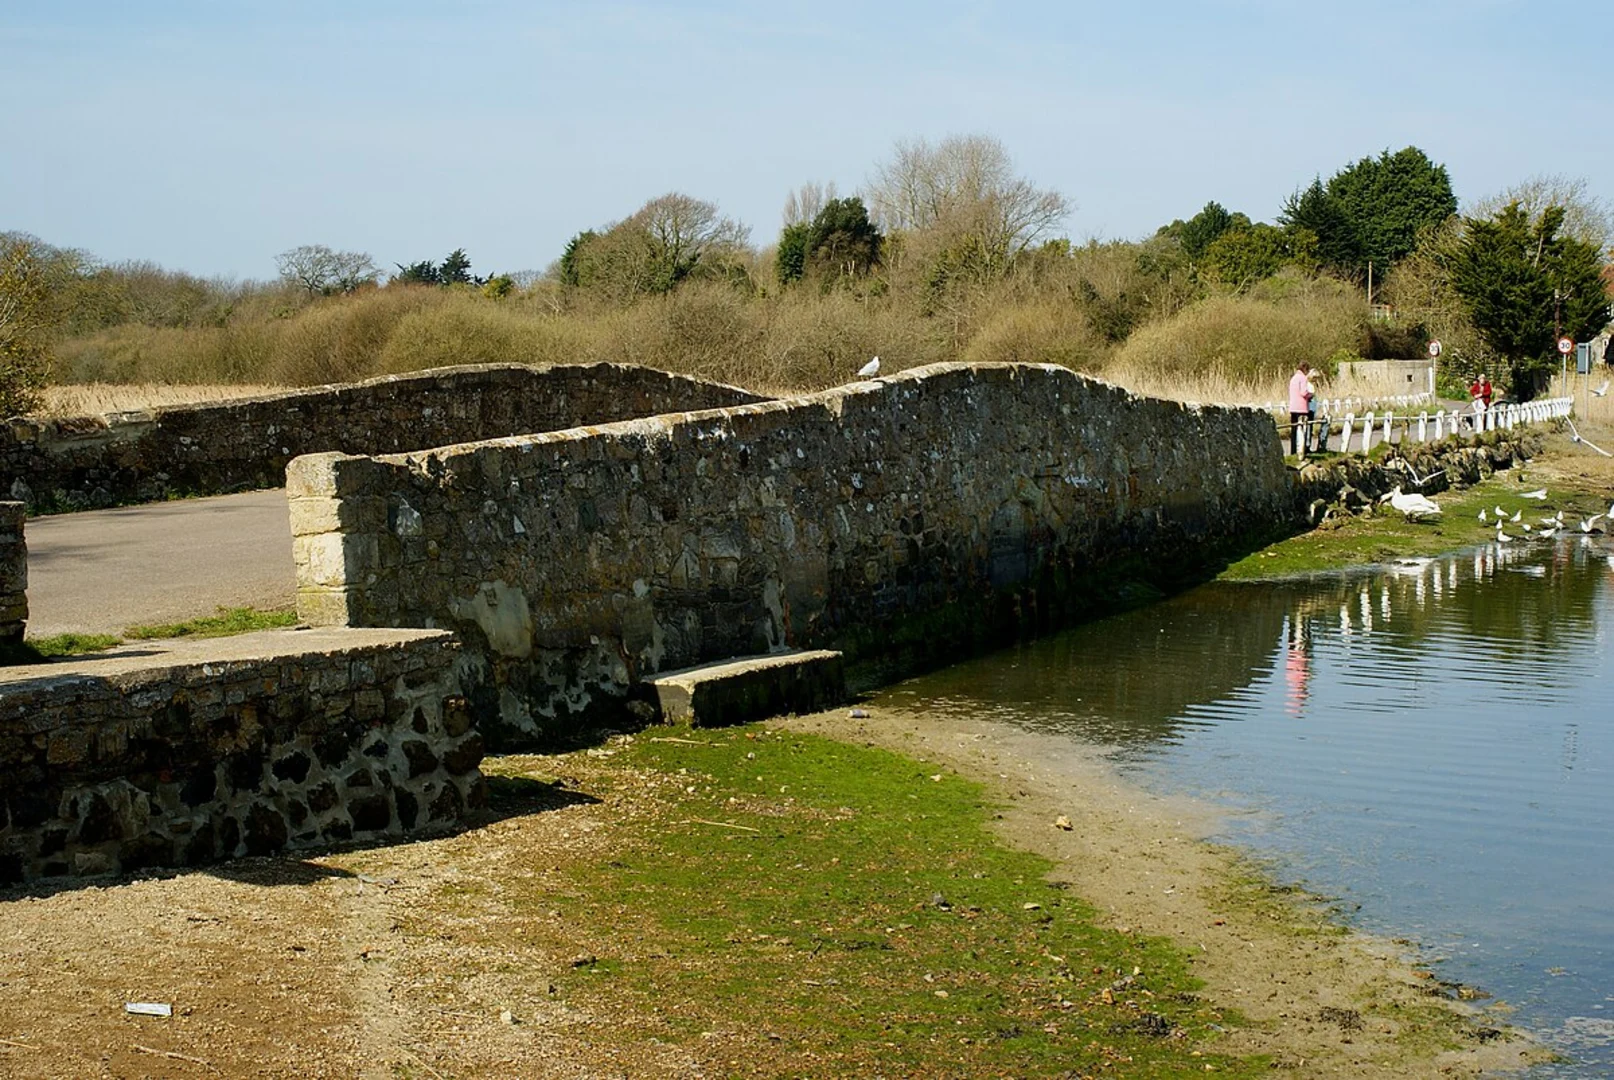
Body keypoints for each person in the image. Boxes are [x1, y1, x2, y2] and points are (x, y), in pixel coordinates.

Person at [1287, 362, 1314, 458]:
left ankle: (1293, 451)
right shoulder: (1303, 378)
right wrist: (1311, 395)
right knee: (1302, 430)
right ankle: (1301, 451)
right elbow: (1303, 392)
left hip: (1293, 407)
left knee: (1294, 430)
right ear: (1305, 369)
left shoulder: (1293, 378)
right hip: (1301, 407)